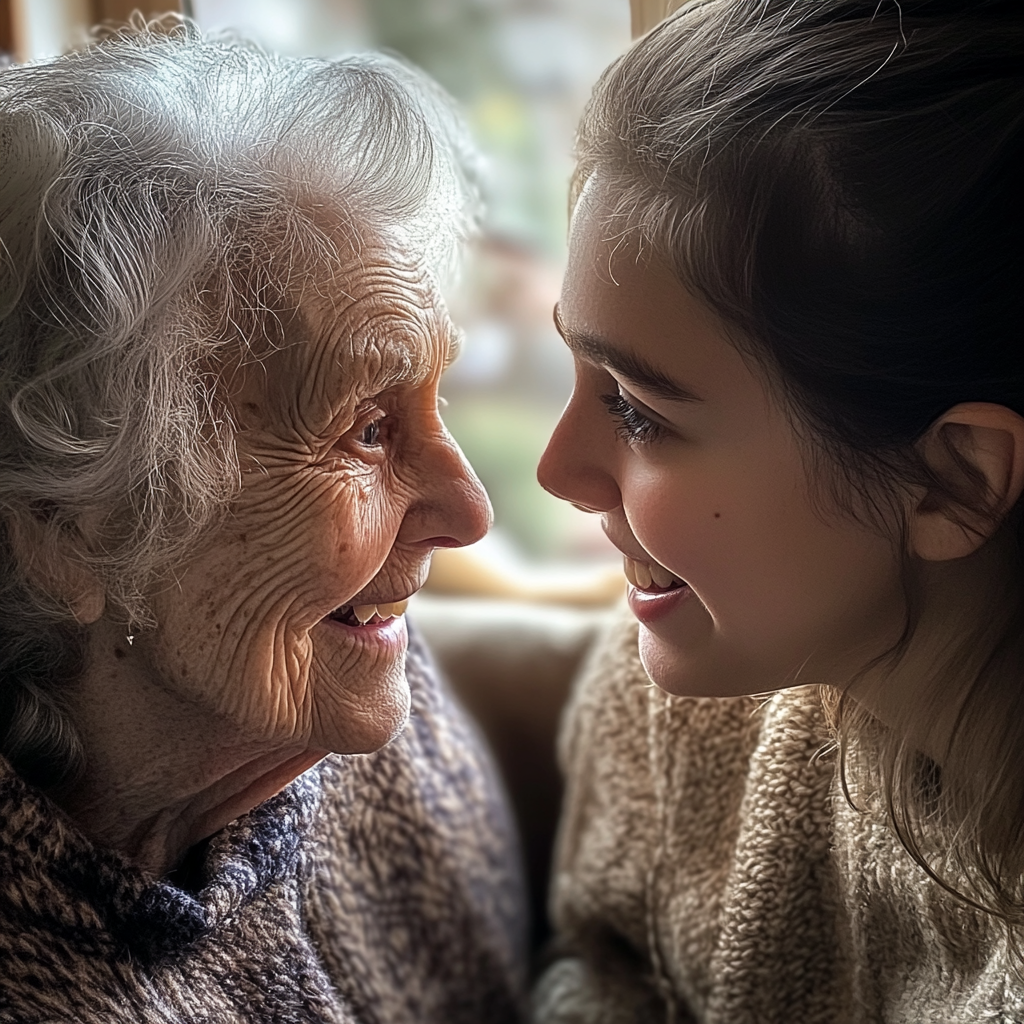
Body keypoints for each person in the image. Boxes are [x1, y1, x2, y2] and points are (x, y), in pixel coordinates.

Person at [0, 19, 526, 1023]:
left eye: (435, 402)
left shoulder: (361, 700)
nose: (468, 510)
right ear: (67, 528)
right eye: (367, 430)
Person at [533, 1, 1024, 1020]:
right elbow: (598, 963)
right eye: (572, 369)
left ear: (953, 479)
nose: (555, 469)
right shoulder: (677, 701)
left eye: (634, 409)